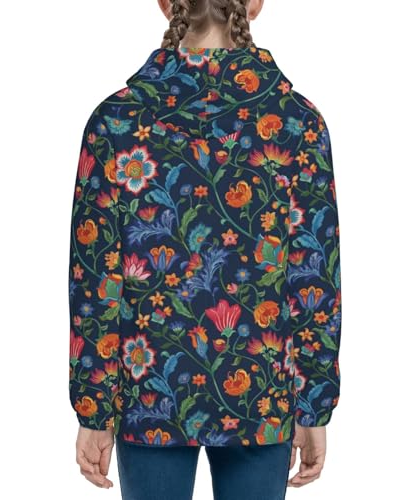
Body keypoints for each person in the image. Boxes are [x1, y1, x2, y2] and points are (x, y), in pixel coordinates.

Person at [67, 0, 342, 498]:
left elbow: (94, 280)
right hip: (261, 393)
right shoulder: (297, 122)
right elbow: (314, 275)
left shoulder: (116, 121)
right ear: (254, 4)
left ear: (165, 3)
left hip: (149, 392)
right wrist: (312, 404)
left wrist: (95, 408)